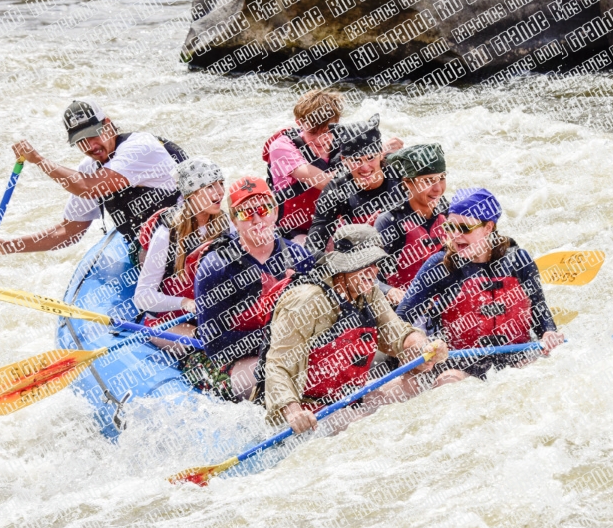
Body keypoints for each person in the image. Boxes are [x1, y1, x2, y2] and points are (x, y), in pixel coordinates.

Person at [262, 224, 448, 435]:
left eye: (375, 263)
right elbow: (277, 365)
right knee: (355, 422)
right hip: (306, 411)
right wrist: (294, 412)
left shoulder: (369, 292)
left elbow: (397, 333)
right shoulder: (306, 300)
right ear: (343, 267)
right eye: (365, 263)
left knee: (416, 385)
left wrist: (423, 347)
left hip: (347, 400)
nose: (374, 270)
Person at [396, 188, 565, 383]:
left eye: (465, 228)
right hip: (458, 365)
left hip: (516, 359)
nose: (456, 235)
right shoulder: (439, 266)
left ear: (488, 228)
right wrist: (423, 344)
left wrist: (549, 333)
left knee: (540, 375)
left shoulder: (518, 260)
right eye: (451, 227)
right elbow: (400, 320)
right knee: (449, 381)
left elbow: (541, 313)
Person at [0, 100, 184, 258]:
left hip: (187, 236)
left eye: (94, 135)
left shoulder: (139, 147)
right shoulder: (88, 169)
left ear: (108, 125)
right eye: (81, 140)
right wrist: (8, 246)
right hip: (151, 244)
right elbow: (69, 231)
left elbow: (90, 188)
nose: (90, 146)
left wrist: (40, 160)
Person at [194, 176, 315, 402]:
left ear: (275, 212)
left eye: (263, 209)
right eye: (246, 214)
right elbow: (213, 345)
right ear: (234, 221)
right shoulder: (216, 268)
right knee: (269, 377)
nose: (257, 219)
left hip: (293, 347)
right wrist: (270, 339)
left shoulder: (299, 257)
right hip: (240, 361)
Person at [132, 157, 229, 351]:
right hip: (169, 322)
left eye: (221, 183)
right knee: (209, 342)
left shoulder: (226, 224)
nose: (219, 192)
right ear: (191, 194)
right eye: (210, 186)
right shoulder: (167, 234)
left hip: (208, 314)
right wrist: (185, 303)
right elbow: (142, 297)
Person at [305, 113, 408, 258]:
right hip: (362, 261)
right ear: (343, 160)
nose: (365, 168)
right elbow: (314, 243)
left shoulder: (402, 177)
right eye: (355, 160)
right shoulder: (337, 189)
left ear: (381, 154)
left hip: (404, 253)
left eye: (370, 158)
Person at [261, 89, 343, 242]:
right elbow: (325, 182)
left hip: (332, 226)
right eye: (313, 132)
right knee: (308, 252)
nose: (320, 140)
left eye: (326, 132)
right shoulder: (281, 148)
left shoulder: (345, 142)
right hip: (292, 230)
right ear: (299, 123)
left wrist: (381, 154)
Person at [375, 144, 449, 306]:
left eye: (441, 178)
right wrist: (389, 291)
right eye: (428, 181)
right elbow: (366, 276)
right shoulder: (389, 221)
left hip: (443, 304)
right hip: (405, 307)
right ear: (408, 182)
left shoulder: (451, 214)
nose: (437, 189)